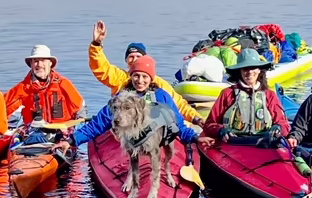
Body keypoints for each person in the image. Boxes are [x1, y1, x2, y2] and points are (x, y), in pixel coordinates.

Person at [56, 55, 214, 152]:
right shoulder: (122, 98)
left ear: (151, 78)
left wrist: (194, 138)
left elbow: (177, 123)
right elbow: (99, 123)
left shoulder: (161, 96)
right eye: (136, 76)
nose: (140, 80)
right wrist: (71, 141)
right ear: (131, 77)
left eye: (145, 76)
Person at [88, 20, 204, 127]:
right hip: (123, 125)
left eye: (138, 57)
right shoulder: (119, 77)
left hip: (150, 126)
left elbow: (178, 104)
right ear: (126, 61)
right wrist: (96, 44)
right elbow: (101, 67)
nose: (134, 60)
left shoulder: (158, 84)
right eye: (131, 57)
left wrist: (196, 118)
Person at [202, 48, 292, 147]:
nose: (249, 72)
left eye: (253, 67)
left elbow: (284, 124)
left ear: (259, 70)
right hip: (232, 145)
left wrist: (278, 128)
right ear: (239, 71)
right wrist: (220, 131)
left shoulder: (269, 95)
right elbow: (209, 125)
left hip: (264, 145)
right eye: (245, 68)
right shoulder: (227, 94)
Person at [5, 45, 85, 125]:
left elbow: (79, 107)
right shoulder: (23, 88)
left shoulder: (63, 83)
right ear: (31, 64)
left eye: (43, 60)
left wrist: (80, 124)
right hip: (34, 131)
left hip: (63, 130)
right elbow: (1, 106)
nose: (39, 64)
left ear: (50, 63)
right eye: (36, 61)